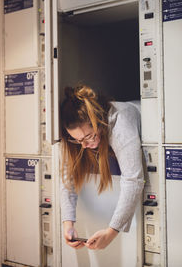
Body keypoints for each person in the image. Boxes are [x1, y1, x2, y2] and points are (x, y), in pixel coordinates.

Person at [60, 84, 144, 250]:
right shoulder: (80, 138)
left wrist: (111, 232)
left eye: (88, 137)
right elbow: (66, 177)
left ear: (98, 122)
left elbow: (133, 180)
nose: (83, 145)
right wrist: (67, 224)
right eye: (77, 140)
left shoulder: (120, 122)